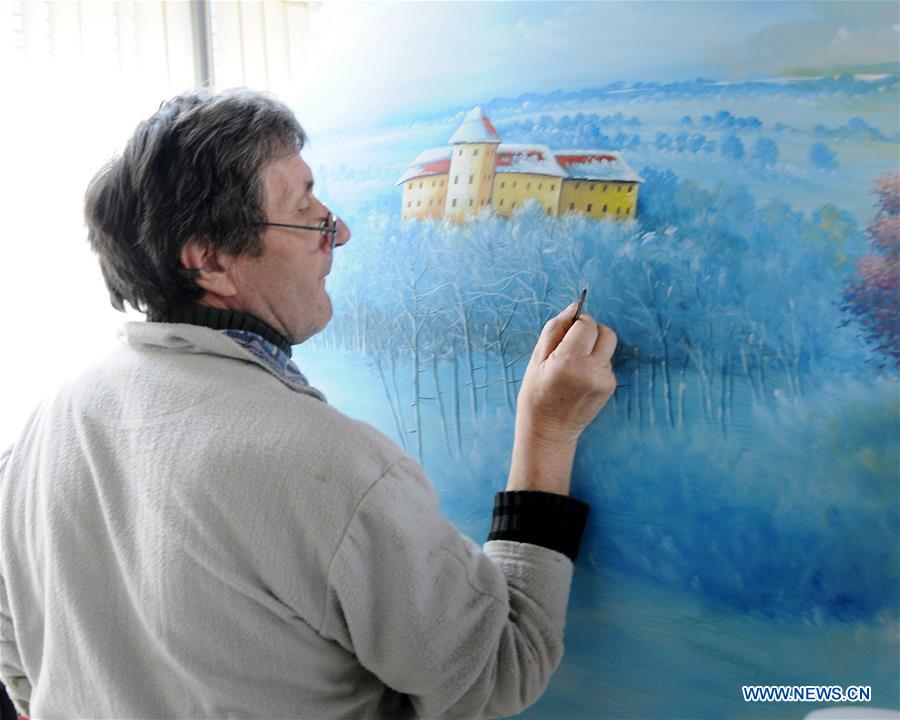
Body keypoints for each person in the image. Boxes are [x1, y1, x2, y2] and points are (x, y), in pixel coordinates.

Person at [0, 89, 617, 719]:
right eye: (307, 214)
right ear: (211, 259)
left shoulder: (47, 423)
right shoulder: (329, 466)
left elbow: (16, 653)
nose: (339, 232)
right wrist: (548, 434)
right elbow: (498, 668)